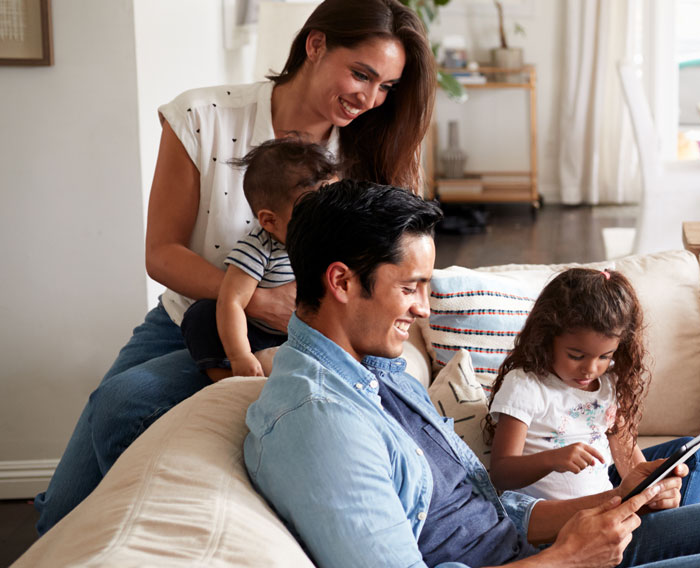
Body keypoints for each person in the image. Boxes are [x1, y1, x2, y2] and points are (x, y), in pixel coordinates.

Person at [244, 179, 700, 568]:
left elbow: (490, 509)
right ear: (343, 282)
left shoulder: (381, 373)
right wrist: (568, 562)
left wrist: (616, 499)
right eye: (411, 288)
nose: (423, 309)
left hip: (528, 549)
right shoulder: (318, 422)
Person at [34, 0, 435, 534]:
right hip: (187, 317)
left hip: (291, 333)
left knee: (124, 403)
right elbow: (162, 253)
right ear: (315, 45)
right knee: (65, 504)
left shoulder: (368, 152)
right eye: (361, 73)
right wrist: (251, 297)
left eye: (386, 86)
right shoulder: (202, 116)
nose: (370, 98)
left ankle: (137, 539)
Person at [486, 269, 700, 505]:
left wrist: (651, 491)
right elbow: (501, 473)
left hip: (608, 501)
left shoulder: (608, 383)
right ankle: (677, 530)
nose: (590, 369)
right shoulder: (526, 385)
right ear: (547, 337)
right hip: (564, 518)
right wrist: (552, 459)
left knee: (694, 457)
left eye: (604, 356)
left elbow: (630, 463)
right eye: (576, 355)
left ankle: (673, 525)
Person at [178, 138, 339, 382]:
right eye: (312, 214)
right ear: (270, 221)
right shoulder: (259, 248)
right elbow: (231, 301)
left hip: (307, 335)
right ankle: (227, 378)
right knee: (203, 314)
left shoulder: (333, 242)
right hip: (258, 335)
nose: (327, 222)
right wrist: (240, 355)